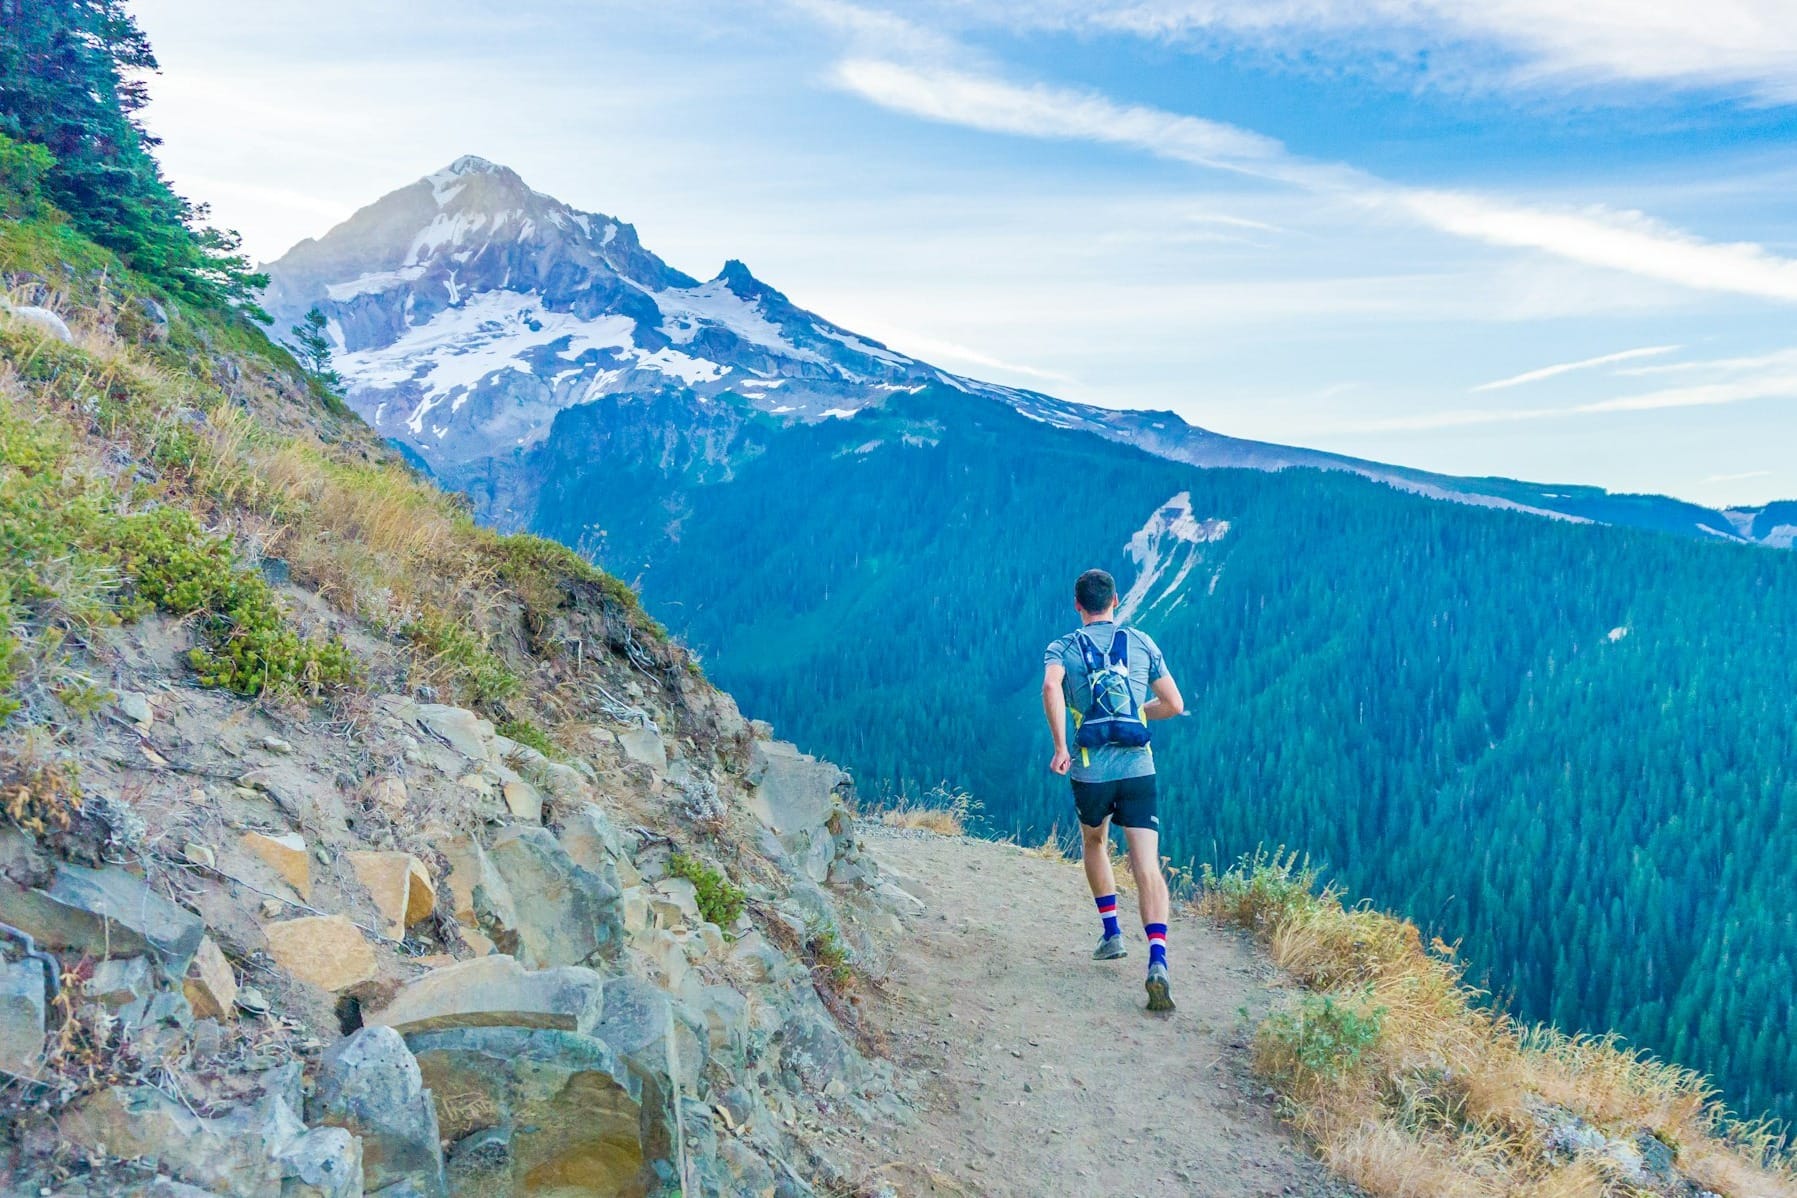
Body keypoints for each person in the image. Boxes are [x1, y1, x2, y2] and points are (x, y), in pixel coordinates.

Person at [1041, 568, 1185, 1013]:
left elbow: (1050, 685)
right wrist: (1137, 713)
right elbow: (1175, 705)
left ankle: (1111, 933)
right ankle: (1157, 960)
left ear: (1078, 605)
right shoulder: (1142, 643)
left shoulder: (1062, 647)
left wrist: (1062, 746)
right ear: (1116, 601)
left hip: (1091, 770)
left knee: (1095, 841)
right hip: (1139, 768)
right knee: (1147, 864)